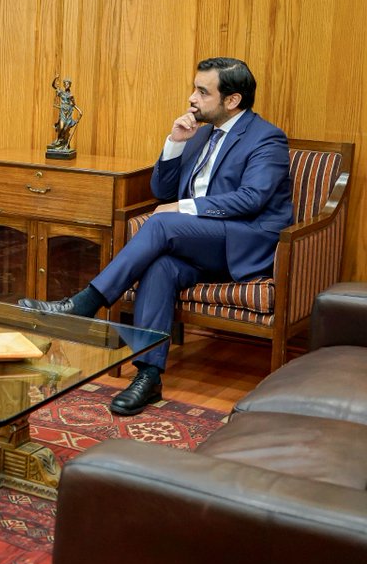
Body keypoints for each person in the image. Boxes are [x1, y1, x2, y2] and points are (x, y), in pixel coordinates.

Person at [18, 58, 292, 415]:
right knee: (160, 266)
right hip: (198, 244)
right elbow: (161, 189)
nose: (192, 98)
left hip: (241, 243)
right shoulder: (200, 131)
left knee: (161, 223)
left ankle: (85, 303)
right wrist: (175, 143)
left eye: (203, 91)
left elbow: (252, 198)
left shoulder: (265, 137)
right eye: (194, 88)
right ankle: (148, 377)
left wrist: (185, 208)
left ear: (232, 100)